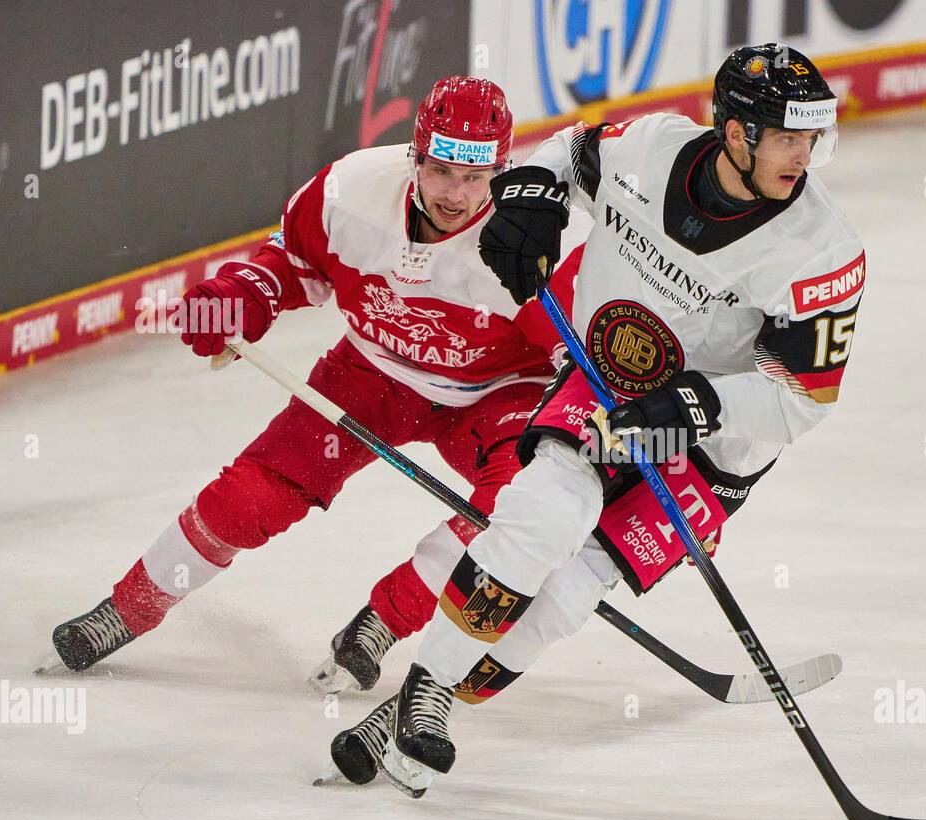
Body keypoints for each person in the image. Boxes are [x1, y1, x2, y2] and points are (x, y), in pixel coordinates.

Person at [355, 44, 867, 798]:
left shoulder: (823, 250)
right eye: (788, 137)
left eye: (810, 137)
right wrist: (533, 196)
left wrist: (698, 403)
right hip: (608, 383)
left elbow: (804, 399)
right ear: (736, 134)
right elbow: (567, 153)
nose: (804, 155)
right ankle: (428, 691)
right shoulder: (650, 149)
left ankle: (405, 708)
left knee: (568, 595)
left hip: (718, 443)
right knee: (541, 514)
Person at [50, 76, 585, 700]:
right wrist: (240, 295)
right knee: (255, 494)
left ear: (502, 169)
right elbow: (289, 266)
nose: (456, 196)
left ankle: (384, 623)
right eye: (441, 171)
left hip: (500, 392)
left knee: (521, 507)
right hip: (374, 371)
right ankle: (130, 607)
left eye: (475, 179)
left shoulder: (540, 241)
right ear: (416, 156)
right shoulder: (350, 192)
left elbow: (580, 369)